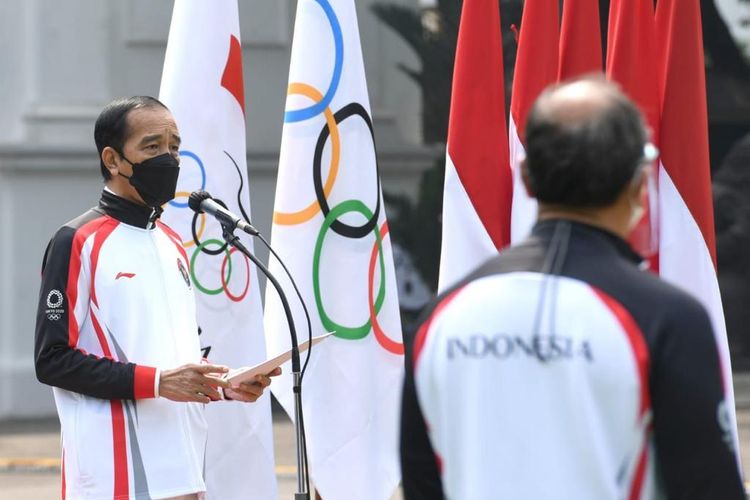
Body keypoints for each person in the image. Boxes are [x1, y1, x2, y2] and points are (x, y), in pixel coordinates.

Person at [400, 78, 745, 499]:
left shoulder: (441, 317)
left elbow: (422, 484)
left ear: (526, 179)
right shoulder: (667, 318)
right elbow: (708, 487)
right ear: (638, 183)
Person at [34, 96, 278, 500]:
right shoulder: (76, 240)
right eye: (152, 147)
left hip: (184, 470)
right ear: (112, 160)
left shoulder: (171, 243)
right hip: (113, 476)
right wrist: (159, 383)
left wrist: (223, 384)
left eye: (174, 146)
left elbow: (172, 356)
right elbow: (52, 359)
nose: (169, 159)